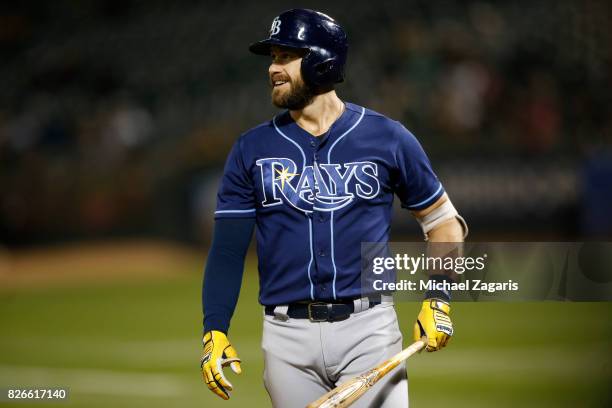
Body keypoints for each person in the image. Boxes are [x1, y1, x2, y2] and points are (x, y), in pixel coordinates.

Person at [200, 8, 467, 407]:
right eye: (272, 57)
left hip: (369, 330)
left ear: (322, 61)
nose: (274, 68)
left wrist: (439, 297)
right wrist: (214, 329)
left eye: (286, 56)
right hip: (286, 339)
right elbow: (226, 251)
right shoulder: (250, 150)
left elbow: (445, 224)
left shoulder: (387, 137)